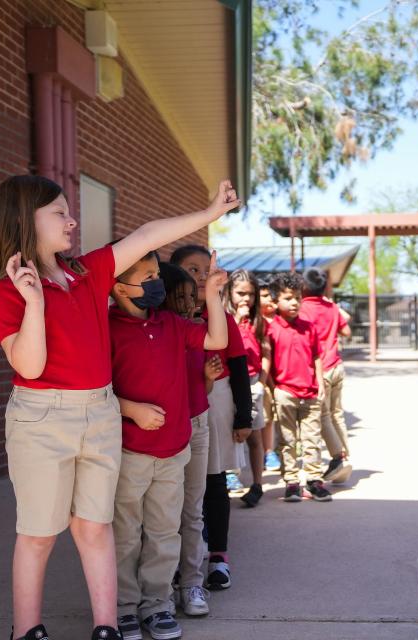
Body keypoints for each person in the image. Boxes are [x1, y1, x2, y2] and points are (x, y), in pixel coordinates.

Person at [0, 175, 239, 640]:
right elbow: (31, 365)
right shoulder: (6, 290)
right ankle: (26, 630)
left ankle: (108, 626)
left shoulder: (86, 273)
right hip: (43, 417)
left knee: (95, 526)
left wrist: (208, 216)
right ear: (26, 219)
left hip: (99, 413)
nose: (72, 219)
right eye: (59, 212)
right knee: (39, 533)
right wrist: (34, 304)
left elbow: (144, 237)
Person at [109, 251, 227, 640]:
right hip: (129, 451)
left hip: (174, 450)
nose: (155, 282)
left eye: (156, 274)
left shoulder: (173, 324)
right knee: (125, 534)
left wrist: (212, 293)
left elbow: (216, 338)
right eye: (145, 275)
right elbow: (96, 390)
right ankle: (124, 607)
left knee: (164, 532)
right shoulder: (106, 329)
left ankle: (157, 604)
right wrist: (132, 410)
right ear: (118, 285)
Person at [170, 246, 252, 591]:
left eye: (206, 270)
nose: (201, 277)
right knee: (175, 488)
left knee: (214, 482)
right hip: (174, 401)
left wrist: (244, 415)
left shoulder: (222, 319)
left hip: (215, 402)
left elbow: (238, 368)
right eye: (192, 269)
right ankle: (177, 559)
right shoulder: (165, 319)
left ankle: (218, 556)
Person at [158, 262, 213, 617]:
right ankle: (159, 588)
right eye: (179, 297)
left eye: (192, 297)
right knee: (160, 516)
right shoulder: (160, 334)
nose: (187, 304)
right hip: (164, 427)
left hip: (198, 424)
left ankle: (192, 581)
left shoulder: (199, 333)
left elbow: (202, 388)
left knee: (192, 512)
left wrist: (207, 377)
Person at [266, 272, 330, 502]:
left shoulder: (309, 327)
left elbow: (316, 356)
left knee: (312, 439)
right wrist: (275, 389)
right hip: (285, 392)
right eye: (288, 298)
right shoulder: (271, 329)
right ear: (276, 302)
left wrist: (320, 383)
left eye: (297, 298)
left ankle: (314, 481)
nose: (294, 302)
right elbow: (268, 362)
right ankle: (292, 482)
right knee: (287, 440)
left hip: (310, 392)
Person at [299, 268, 353, 484]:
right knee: (336, 414)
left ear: (303, 287)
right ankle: (345, 455)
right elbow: (347, 332)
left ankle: (338, 457)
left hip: (320, 368)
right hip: (337, 365)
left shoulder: (303, 309)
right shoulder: (331, 307)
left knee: (322, 415)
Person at [224, 269, 271, 507]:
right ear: (229, 293)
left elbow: (265, 352)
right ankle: (228, 477)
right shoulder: (224, 318)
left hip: (252, 383)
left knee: (254, 435)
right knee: (228, 434)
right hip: (229, 382)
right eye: (241, 293)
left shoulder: (257, 321)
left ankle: (257, 484)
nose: (246, 299)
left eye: (251, 294)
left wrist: (262, 382)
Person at [256, 275, 280, 472]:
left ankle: (271, 450)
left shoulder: (280, 321)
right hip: (263, 377)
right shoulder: (257, 322)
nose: (269, 300)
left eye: (271, 296)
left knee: (271, 418)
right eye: (264, 295)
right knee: (263, 417)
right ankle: (266, 451)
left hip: (281, 379)